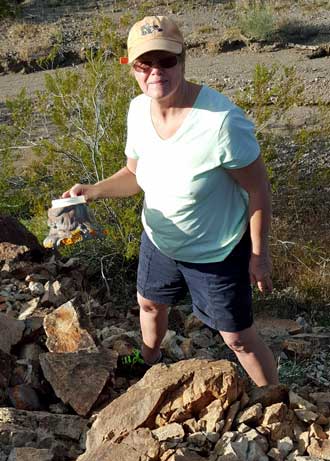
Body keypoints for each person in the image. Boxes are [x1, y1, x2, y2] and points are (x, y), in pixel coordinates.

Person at [62, 15, 279, 386]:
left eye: (166, 61)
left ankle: (275, 398)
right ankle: (148, 358)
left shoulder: (222, 123)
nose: (155, 72)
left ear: (184, 59)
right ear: (131, 68)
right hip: (160, 240)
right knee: (148, 304)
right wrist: (91, 190)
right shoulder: (137, 111)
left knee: (238, 338)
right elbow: (133, 175)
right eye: (145, 64)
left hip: (217, 252)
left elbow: (258, 189)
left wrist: (258, 254)